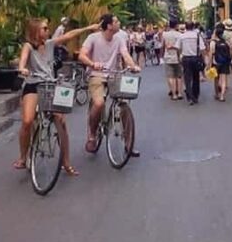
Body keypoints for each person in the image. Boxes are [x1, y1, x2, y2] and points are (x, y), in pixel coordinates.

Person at [14, 18, 98, 174]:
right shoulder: (28, 46)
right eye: (44, 29)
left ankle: (66, 162)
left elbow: (69, 36)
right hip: (33, 85)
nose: (47, 31)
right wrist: (22, 69)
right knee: (27, 121)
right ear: (35, 31)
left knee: (61, 121)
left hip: (50, 85)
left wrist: (88, 27)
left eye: (47, 29)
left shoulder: (50, 44)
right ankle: (23, 157)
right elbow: (23, 59)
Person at [78, 14, 140, 154]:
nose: (119, 23)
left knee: (125, 106)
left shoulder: (119, 39)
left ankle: (129, 144)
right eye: (116, 21)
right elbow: (82, 55)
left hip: (114, 75)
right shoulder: (93, 38)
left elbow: (125, 55)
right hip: (96, 75)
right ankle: (92, 135)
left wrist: (132, 66)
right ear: (109, 26)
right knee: (99, 103)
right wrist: (92, 64)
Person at [176, 21, 206, 105]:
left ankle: (189, 97)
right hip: (195, 58)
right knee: (196, 77)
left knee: (187, 78)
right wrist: (203, 59)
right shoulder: (197, 35)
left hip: (186, 58)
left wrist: (179, 57)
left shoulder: (181, 36)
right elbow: (202, 48)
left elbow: (177, 48)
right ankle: (195, 95)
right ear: (193, 27)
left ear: (185, 27)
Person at [210, 24, 232, 102]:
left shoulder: (213, 43)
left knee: (216, 79)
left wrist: (208, 65)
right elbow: (230, 51)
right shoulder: (226, 42)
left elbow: (211, 54)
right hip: (225, 63)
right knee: (223, 80)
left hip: (215, 63)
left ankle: (217, 94)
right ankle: (222, 96)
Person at [162, 20, 183, 100]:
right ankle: (180, 93)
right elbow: (181, 46)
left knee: (171, 76)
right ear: (176, 26)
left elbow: (163, 45)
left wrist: (161, 55)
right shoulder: (180, 35)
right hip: (178, 56)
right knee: (179, 75)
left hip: (168, 56)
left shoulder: (165, 34)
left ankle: (174, 94)